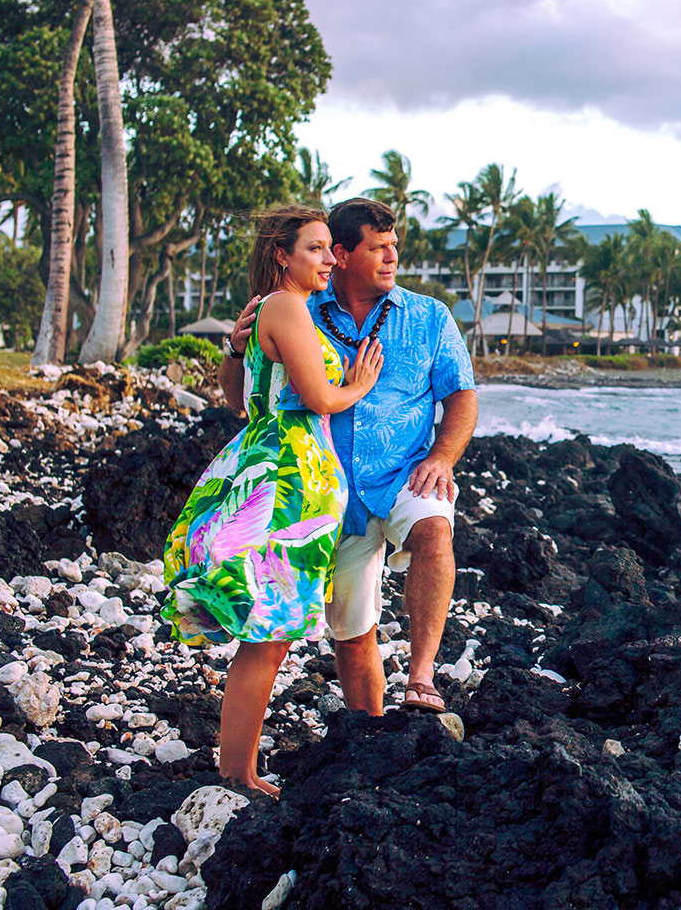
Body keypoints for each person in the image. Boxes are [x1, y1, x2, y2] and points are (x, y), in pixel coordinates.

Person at [222, 197, 478, 718]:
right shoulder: (295, 308)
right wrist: (234, 348)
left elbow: (462, 396)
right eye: (377, 247)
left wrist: (443, 457)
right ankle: (370, 734)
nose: (391, 258)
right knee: (353, 629)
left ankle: (422, 674)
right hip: (326, 487)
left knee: (434, 528)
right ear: (341, 254)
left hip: (406, 473)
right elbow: (239, 397)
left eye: (395, 247)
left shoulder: (429, 317)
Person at [162, 204, 384, 795]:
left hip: (268, 459)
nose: (330, 258)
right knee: (270, 633)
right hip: (289, 476)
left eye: (330, 249)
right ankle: (238, 772)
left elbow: (236, 399)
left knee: (269, 632)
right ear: (282, 255)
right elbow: (317, 396)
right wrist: (358, 384)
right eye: (315, 248)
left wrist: (234, 351)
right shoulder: (286, 306)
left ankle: (238, 765)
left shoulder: (266, 309)